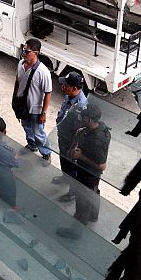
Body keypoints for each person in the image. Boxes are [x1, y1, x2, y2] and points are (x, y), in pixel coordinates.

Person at [57, 104, 111, 240]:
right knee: (94, 193)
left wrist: (81, 157)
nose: (81, 118)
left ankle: (75, 233)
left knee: (82, 204)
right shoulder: (98, 128)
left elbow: (102, 166)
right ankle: (93, 215)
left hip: (88, 174)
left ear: (91, 119)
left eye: (84, 117)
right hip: (90, 176)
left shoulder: (97, 140)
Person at [13, 38, 52, 164]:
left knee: (38, 133)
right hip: (23, 106)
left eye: (27, 51)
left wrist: (43, 113)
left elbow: (48, 93)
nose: (24, 53)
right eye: (23, 50)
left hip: (36, 109)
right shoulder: (20, 64)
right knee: (26, 127)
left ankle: (46, 152)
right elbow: (17, 81)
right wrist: (14, 99)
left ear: (36, 53)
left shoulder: (43, 72)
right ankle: (31, 145)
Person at [53, 71, 88, 202]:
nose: (63, 86)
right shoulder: (69, 96)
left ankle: (73, 191)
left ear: (74, 88)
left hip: (71, 142)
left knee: (72, 166)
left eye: (66, 85)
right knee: (64, 161)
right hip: (63, 137)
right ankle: (65, 177)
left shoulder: (81, 105)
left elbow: (80, 130)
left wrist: (74, 147)